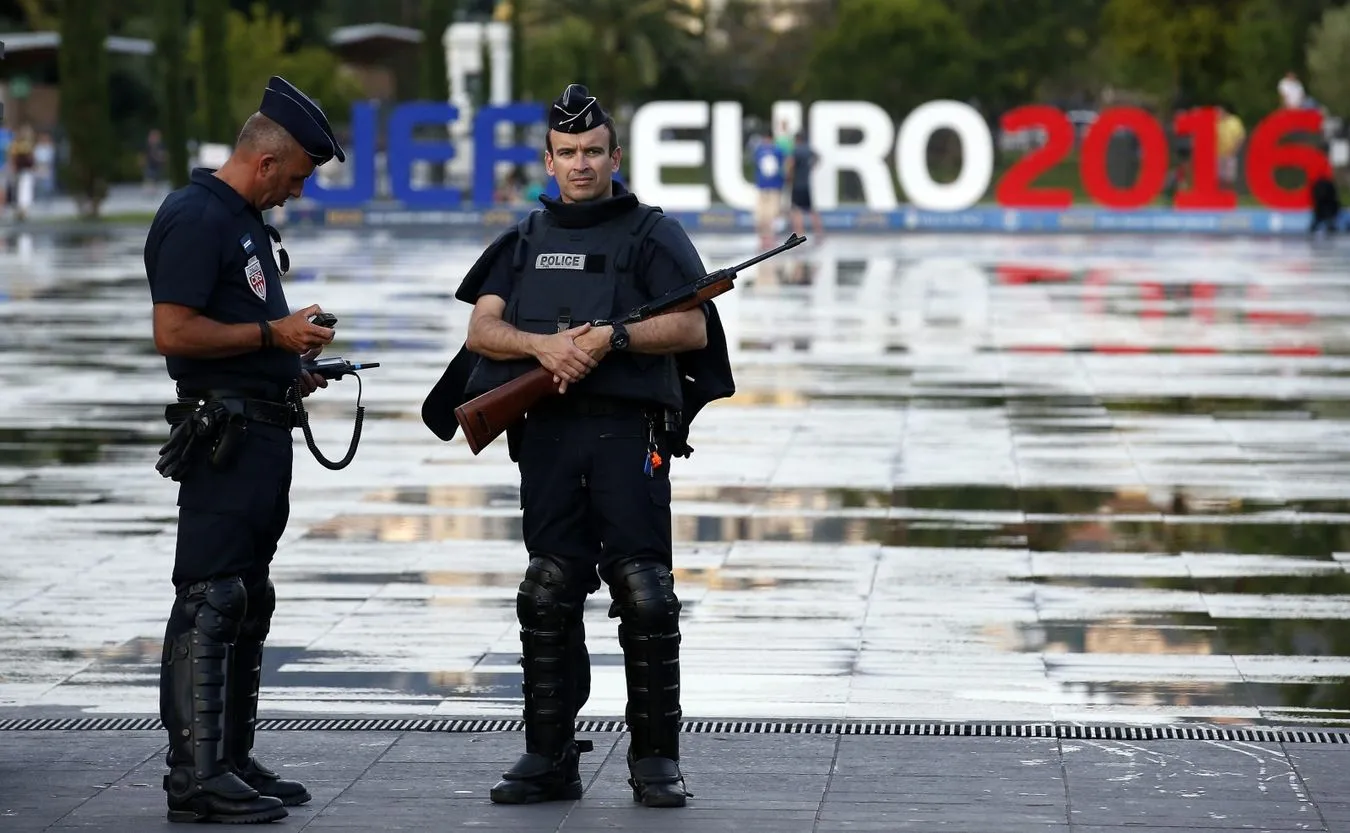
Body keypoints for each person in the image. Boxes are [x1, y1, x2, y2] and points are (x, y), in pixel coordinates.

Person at [425, 83, 735, 809]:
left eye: (594, 151)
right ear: (548, 159)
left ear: (615, 156)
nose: (582, 164)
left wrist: (612, 336)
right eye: (568, 153)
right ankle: (547, 753)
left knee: (646, 593)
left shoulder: (653, 233)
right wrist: (546, 348)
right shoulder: (525, 238)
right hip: (551, 436)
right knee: (549, 588)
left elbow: (692, 328)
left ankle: (656, 759)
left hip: (630, 434)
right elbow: (482, 329)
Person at [143, 76, 345, 825]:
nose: (297, 192)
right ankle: (193, 774)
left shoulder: (245, 221)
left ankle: (228, 755)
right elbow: (175, 332)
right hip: (222, 439)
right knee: (212, 597)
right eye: (296, 177)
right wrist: (272, 335)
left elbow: (243, 326)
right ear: (267, 161)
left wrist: (294, 362)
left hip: (261, 430)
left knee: (248, 598)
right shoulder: (195, 216)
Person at [786, 131, 823, 241]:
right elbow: (817, 157)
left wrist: (788, 176)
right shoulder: (808, 149)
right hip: (806, 183)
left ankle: (799, 232)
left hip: (797, 184)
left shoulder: (796, 150)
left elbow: (790, 164)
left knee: (796, 210)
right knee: (811, 210)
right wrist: (811, 166)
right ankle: (819, 232)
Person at [752, 134, 785, 249]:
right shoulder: (778, 150)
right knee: (768, 213)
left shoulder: (760, 150)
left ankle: (765, 238)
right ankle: (768, 238)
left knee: (766, 214)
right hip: (771, 186)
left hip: (766, 186)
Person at [7, 125, 36, 222]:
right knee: (20, 190)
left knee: (25, 190)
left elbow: (31, 158)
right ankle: (20, 210)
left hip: (26, 170)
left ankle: (24, 210)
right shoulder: (16, 145)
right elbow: (13, 157)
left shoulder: (27, 144)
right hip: (20, 170)